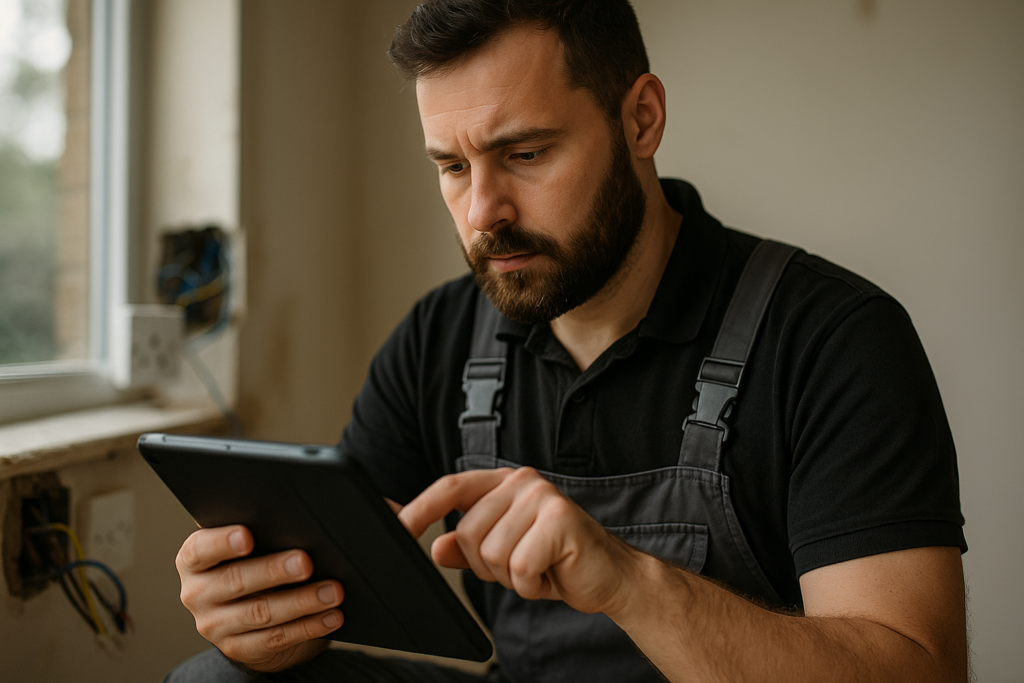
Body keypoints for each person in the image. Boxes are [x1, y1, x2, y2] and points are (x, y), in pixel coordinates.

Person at [166, 1, 968, 681]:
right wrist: (265, 612)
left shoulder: (834, 339)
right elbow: (346, 568)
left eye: (525, 154)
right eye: (451, 166)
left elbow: (916, 669)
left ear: (641, 118)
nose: (483, 210)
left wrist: (630, 582)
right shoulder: (440, 339)